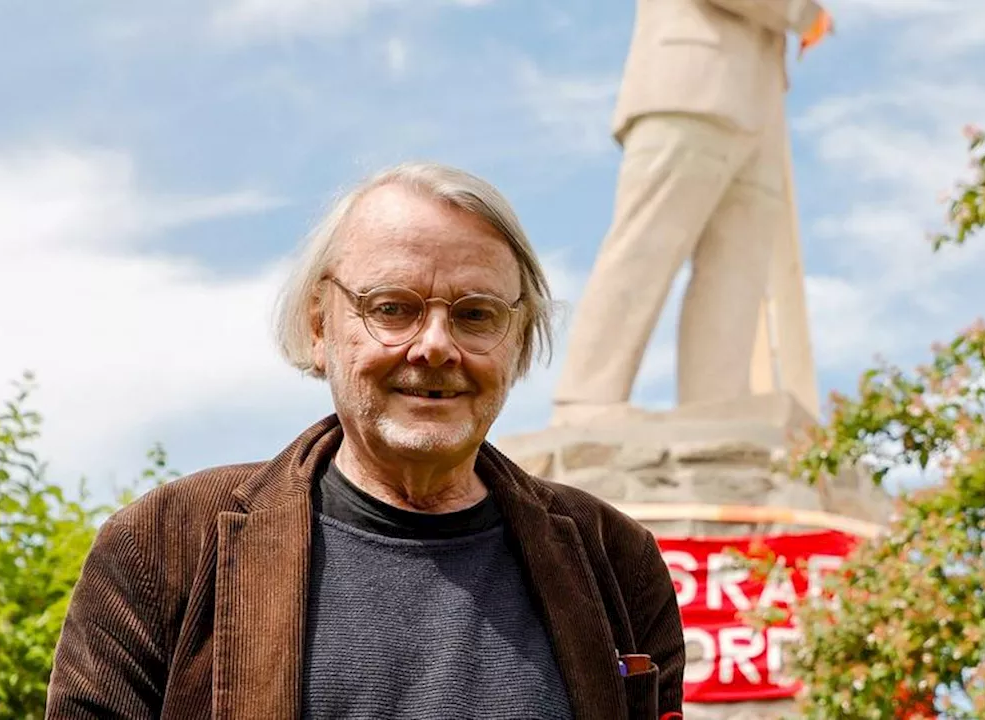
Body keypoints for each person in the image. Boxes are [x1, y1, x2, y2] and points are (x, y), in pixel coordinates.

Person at [45, 161, 686, 719]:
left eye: (475, 315)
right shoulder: (162, 546)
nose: (436, 345)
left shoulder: (616, 560)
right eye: (392, 308)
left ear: (518, 342)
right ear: (320, 326)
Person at [551, 0, 831, 426]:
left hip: (759, 106)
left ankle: (715, 406)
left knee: (738, 264)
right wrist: (802, 12)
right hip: (689, 86)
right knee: (647, 244)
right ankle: (588, 399)